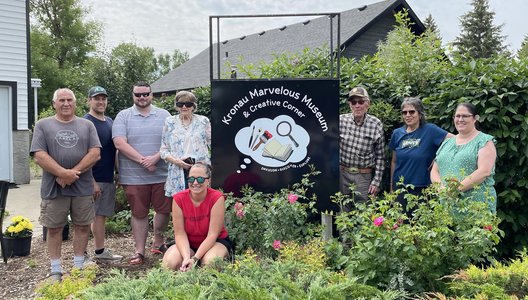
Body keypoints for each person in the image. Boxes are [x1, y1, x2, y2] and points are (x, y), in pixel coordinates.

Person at [30, 88, 101, 282]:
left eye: (70, 100)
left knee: (83, 225)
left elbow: (95, 153)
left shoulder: (87, 125)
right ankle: (55, 270)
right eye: (61, 100)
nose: (66, 103)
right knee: (54, 228)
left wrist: (72, 174)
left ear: (75, 103)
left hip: (82, 187)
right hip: (54, 187)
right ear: (54, 104)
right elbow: (39, 155)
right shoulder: (43, 125)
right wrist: (62, 173)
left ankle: (78, 265)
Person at [112, 81, 172, 265]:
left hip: (162, 173)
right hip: (133, 176)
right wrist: (144, 161)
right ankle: (139, 251)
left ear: (151, 94)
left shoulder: (165, 115)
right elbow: (119, 143)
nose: (142, 98)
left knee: (164, 210)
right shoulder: (123, 116)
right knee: (139, 213)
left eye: (145, 94)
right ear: (133, 96)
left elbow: (171, 141)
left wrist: (155, 158)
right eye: (138, 94)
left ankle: (158, 243)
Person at [162, 163, 232, 271]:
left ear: (208, 181)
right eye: (191, 179)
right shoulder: (178, 199)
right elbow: (180, 234)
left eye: (200, 179)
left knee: (210, 263)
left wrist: (194, 258)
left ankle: (203, 264)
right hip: (188, 243)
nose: (195, 183)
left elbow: (213, 235)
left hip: (214, 242)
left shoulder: (217, 198)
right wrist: (186, 258)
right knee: (169, 263)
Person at [431, 103, 497, 212]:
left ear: (475, 119)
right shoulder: (447, 143)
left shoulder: (484, 141)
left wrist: (454, 190)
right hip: (447, 207)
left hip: (476, 208)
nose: (460, 119)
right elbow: (434, 170)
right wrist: (440, 189)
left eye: (465, 116)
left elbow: (484, 172)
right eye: (457, 116)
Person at [389, 97, 452, 210]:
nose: (408, 115)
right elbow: (394, 161)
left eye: (412, 111)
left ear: (420, 113)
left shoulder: (431, 130)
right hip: (401, 188)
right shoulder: (397, 133)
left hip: (424, 188)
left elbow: (455, 140)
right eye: (404, 112)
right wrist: (391, 186)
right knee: (401, 225)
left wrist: (438, 157)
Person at [84, 86, 123, 261]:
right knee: (86, 218)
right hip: (91, 179)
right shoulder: (85, 123)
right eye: (96, 98)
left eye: (103, 99)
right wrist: (91, 181)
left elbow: (114, 151)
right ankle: (82, 255)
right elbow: (83, 154)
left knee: (101, 217)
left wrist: (118, 173)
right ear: (88, 101)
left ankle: (99, 252)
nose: (100, 102)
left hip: (107, 178)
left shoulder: (109, 121)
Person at [160, 91, 211, 197]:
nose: (184, 107)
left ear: (193, 106)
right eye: (180, 104)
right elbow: (163, 150)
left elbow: (213, 144)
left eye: (188, 104)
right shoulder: (169, 122)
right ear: (176, 106)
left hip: (200, 169)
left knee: (201, 201)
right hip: (178, 170)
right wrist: (176, 161)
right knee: (181, 203)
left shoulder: (203, 121)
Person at [339, 86, 385, 204]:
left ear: (367, 104)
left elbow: (380, 157)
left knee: (364, 213)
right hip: (342, 174)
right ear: (350, 104)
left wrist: (376, 181)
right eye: (353, 102)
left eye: (361, 101)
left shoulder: (376, 124)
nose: (357, 105)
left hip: (364, 177)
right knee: (342, 212)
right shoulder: (340, 121)